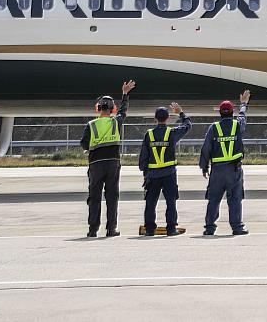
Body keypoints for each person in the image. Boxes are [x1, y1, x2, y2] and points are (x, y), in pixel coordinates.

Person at [80, 80, 136, 238]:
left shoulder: (91, 125)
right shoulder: (115, 122)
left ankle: (92, 230)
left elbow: (84, 143)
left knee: (94, 197)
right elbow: (123, 111)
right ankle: (111, 229)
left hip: (96, 164)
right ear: (113, 109)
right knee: (112, 197)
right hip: (112, 163)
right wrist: (125, 94)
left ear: (97, 108)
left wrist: (89, 149)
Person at [199, 89, 250, 236]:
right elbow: (242, 117)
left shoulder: (213, 128)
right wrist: (243, 104)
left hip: (217, 171)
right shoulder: (237, 125)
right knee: (235, 199)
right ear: (231, 112)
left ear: (220, 112)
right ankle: (237, 227)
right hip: (234, 170)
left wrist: (204, 166)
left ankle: (209, 228)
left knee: (213, 199)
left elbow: (206, 147)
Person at [139, 102, 192, 236]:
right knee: (171, 202)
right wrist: (180, 112)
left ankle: (150, 229)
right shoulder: (172, 133)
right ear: (168, 118)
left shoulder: (149, 135)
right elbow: (188, 126)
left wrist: (145, 173)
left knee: (150, 203)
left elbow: (143, 157)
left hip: (153, 174)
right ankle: (171, 228)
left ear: (155, 118)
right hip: (169, 173)